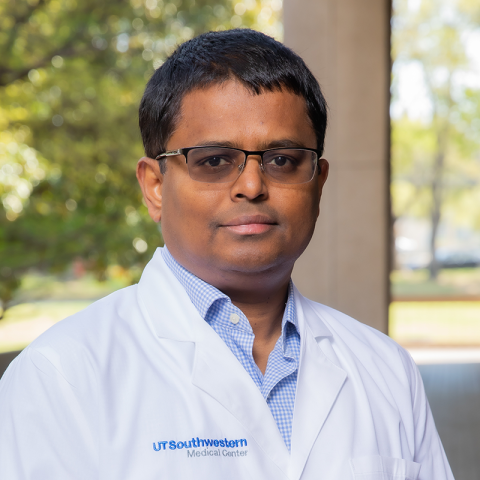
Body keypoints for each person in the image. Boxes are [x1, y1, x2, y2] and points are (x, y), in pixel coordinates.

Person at [0, 29, 454, 480]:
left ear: (318, 181)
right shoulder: (60, 376)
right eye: (214, 160)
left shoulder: (386, 370)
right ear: (154, 186)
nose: (252, 186)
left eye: (283, 160)